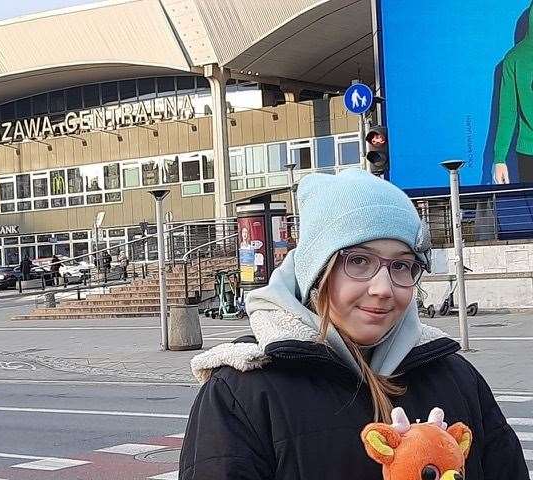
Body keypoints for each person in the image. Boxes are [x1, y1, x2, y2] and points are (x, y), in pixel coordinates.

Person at [179, 169, 527, 479]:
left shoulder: (455, 377)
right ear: (318, 272)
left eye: (402, 265)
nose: (383, 289)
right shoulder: (242, 393)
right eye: (359, 261)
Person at [494, 3, 533, 184]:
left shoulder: (513, 58)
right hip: (528, 153)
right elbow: (507, 113)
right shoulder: (514, 59)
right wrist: (499, 158)